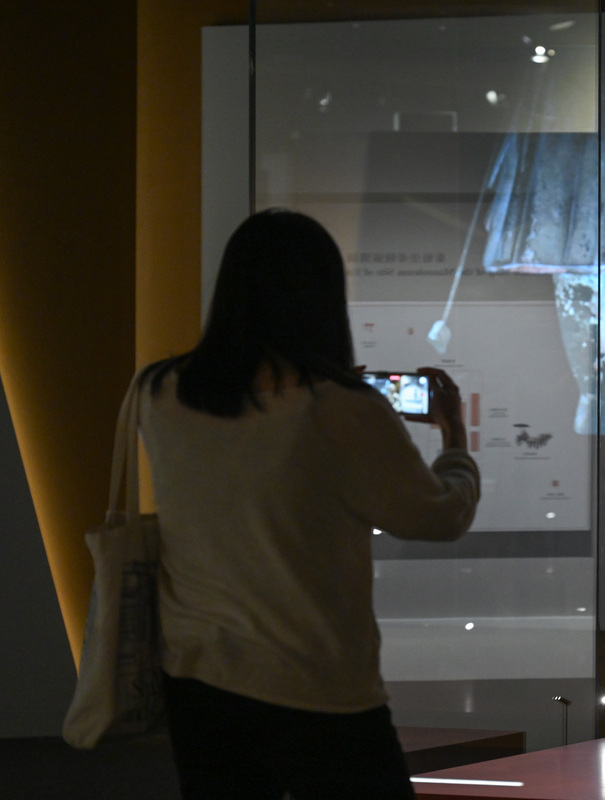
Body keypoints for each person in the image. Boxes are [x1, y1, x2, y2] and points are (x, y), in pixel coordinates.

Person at [137, 209, 480, 799]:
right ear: (322, 298)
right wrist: (454, 439)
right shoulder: (340, 410)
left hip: (196, 676)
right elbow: (438, 516)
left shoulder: (158, 390)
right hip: (315, 679)